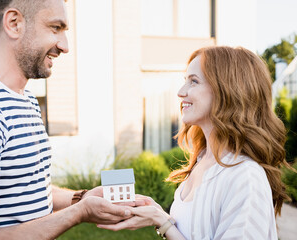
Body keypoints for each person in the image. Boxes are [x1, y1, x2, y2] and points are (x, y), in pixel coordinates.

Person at [0, 0, 143, 239]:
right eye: (55, 28)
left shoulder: (27, 100)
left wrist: (82, 198)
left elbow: (26, 186)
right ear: (14, 23)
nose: (64, 46)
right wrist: (79, 212)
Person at [98, 46, 290, 239]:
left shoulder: (245, 177)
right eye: (185, 81)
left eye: (194, 82)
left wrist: (163, 223)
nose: (181, 92)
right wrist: (158, 215)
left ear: (227, 91)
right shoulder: (203, 160)